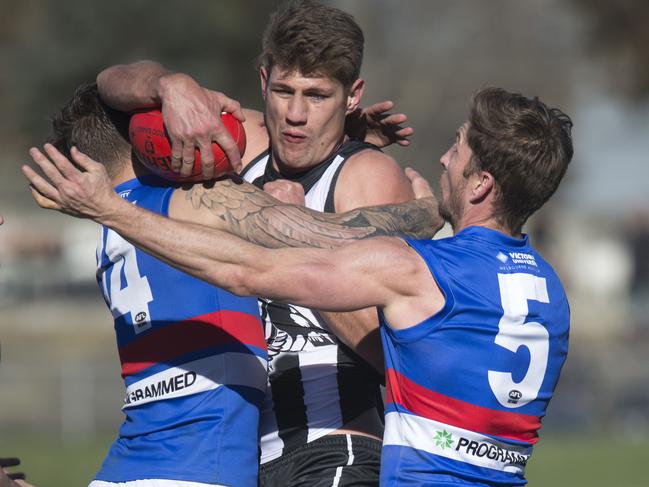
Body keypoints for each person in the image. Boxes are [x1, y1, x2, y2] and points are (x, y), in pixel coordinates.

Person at [25, 86, 574, 486]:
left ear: (482, 183)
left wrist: (107, 209)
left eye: (458, 149)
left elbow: (249, 272)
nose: (443, 158)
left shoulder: (418, 270)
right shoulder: (552, 294)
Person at [96, 2, 417, 484]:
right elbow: (109, 85)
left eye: (318, 95)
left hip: (332, 449)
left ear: (352, 97)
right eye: (284, 90)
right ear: (263, 81)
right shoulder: (235, 140)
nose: (295, 114)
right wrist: (168, 85)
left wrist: (296, 235)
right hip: (242, 460)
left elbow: (388, 353)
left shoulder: (366, 175)